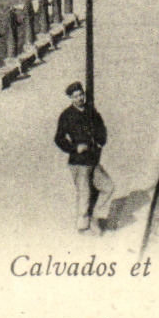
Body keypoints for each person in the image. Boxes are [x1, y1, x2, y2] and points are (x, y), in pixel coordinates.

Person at [54, 81, 112, 234]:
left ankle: (95, 217)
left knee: (108, 187)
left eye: (81, 95)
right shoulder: (67, 115)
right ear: (71, 99)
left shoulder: (91, 111)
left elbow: (101, 129)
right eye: (75, 96)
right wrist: (74, 148)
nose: (79, 98)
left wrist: (100, 140)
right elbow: (59, 138)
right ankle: (83, 224)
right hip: (78, 163)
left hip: (93, 159)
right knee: (84, 193)